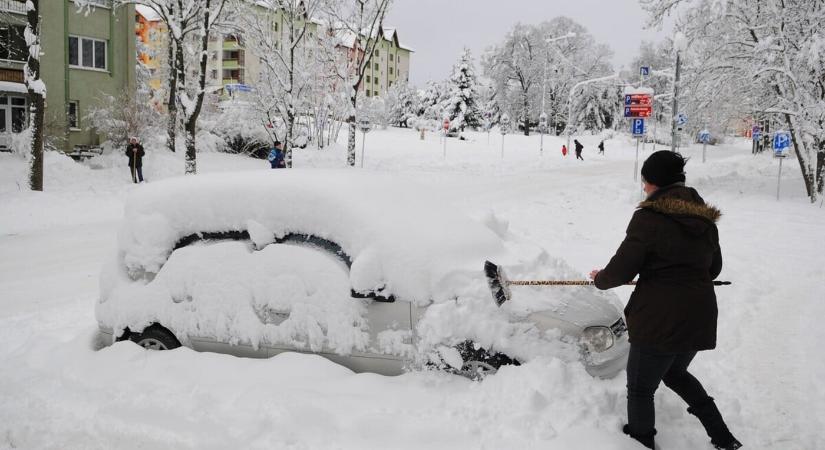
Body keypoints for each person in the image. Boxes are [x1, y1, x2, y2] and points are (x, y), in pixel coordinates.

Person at [589, 151, 741, 450]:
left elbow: (621, 270)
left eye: (645, 181)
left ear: (656, 183)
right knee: (675, 372)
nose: (643, 187)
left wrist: (600, 278)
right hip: (699, 315)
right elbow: (713, 268)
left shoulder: (649, 218)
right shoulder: (704, 218)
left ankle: (641, 442)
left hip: (660, 319)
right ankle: (722, 437)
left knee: (641, 389)